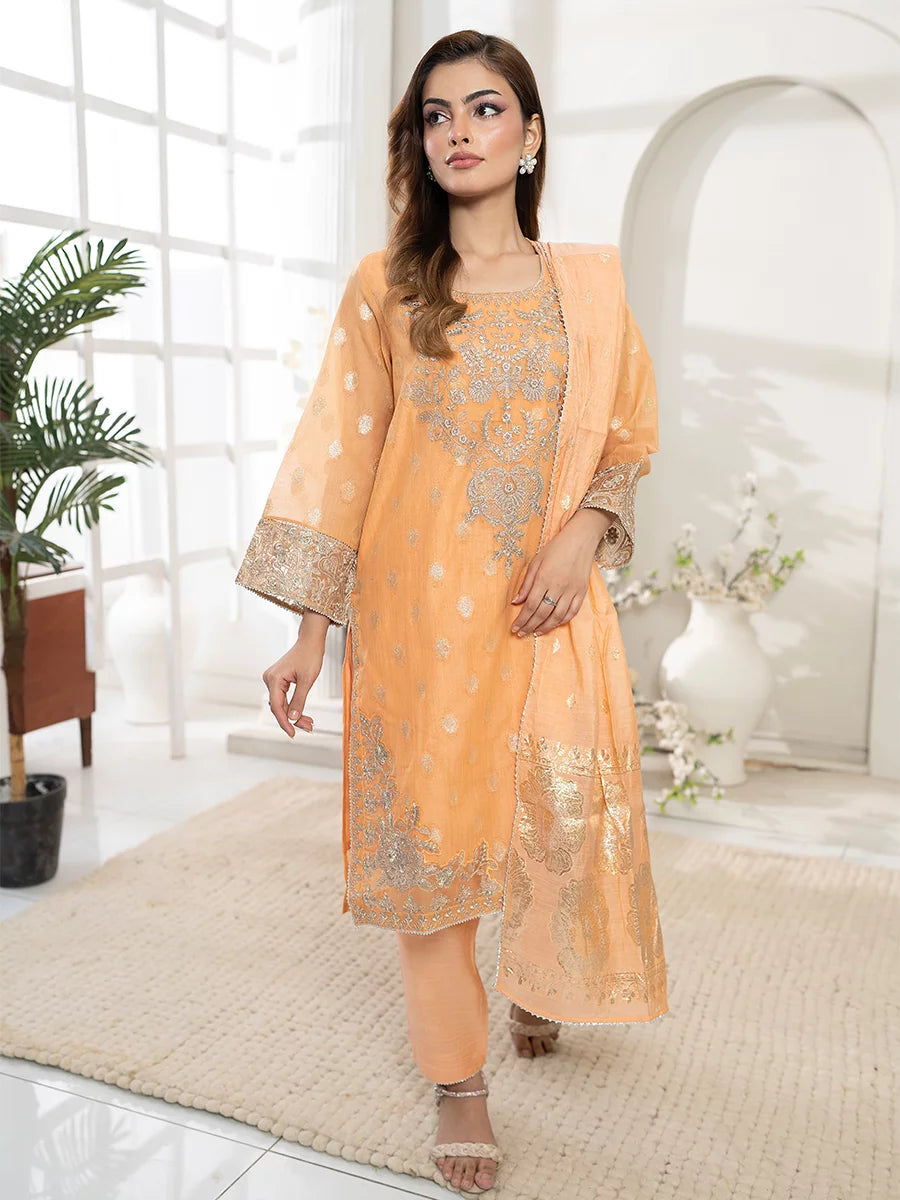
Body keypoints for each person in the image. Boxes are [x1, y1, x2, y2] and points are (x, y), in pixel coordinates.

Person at [236, 28, 668, 1196]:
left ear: (529, 137)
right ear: (418, 143)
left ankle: (538, 978)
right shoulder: (386, 287)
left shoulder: (590, 283)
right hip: (417, 613)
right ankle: (458, 1081)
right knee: (431, 841)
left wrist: (584, 534)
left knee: (551, 817)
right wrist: (310, 630)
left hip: (548, 608)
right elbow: (341, 456)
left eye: (485, 109)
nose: (459, 131)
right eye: (436, 114)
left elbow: (626, 439)